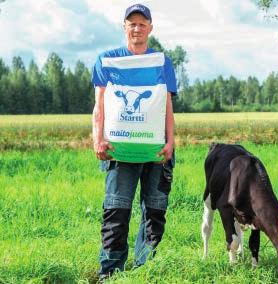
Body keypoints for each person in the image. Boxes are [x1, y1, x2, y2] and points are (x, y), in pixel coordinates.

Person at [91, 3, 177, 280]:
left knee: (155, 211)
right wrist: (97, 139)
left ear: (150, 28)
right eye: (132, 23)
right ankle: (111, 273)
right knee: (116, 209)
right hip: (120, 151)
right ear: (124, 27)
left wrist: (170, 142)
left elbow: (167, 107)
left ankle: (146, 269)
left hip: (155, 150)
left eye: (142, 23)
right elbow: (100, 105)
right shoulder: (107, 60)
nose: (137, 28)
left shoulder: (163, 62)